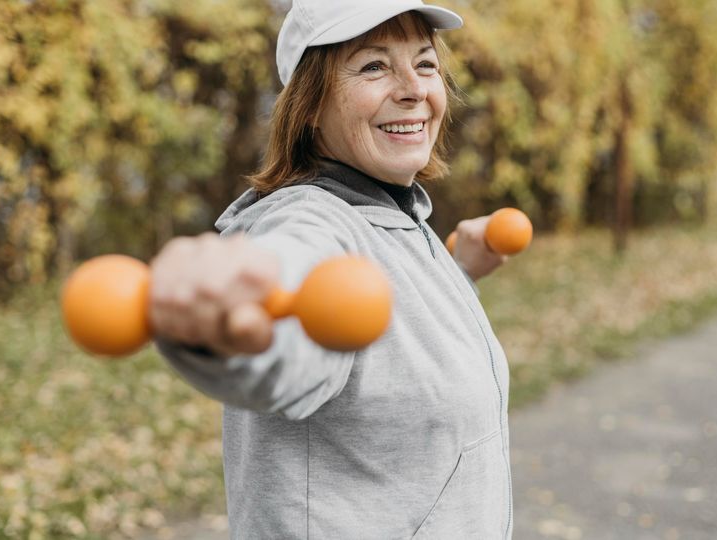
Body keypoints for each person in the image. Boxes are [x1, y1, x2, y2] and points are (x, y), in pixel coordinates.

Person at [151, 1, 513, 537]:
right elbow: (294, 309)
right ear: (310, 106)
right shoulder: (310, 224)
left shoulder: (393, 214)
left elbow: (387, 347)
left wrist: (455, 273)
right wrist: (230, 331)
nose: (413, 88)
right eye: (373, 66)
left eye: (425, 63)